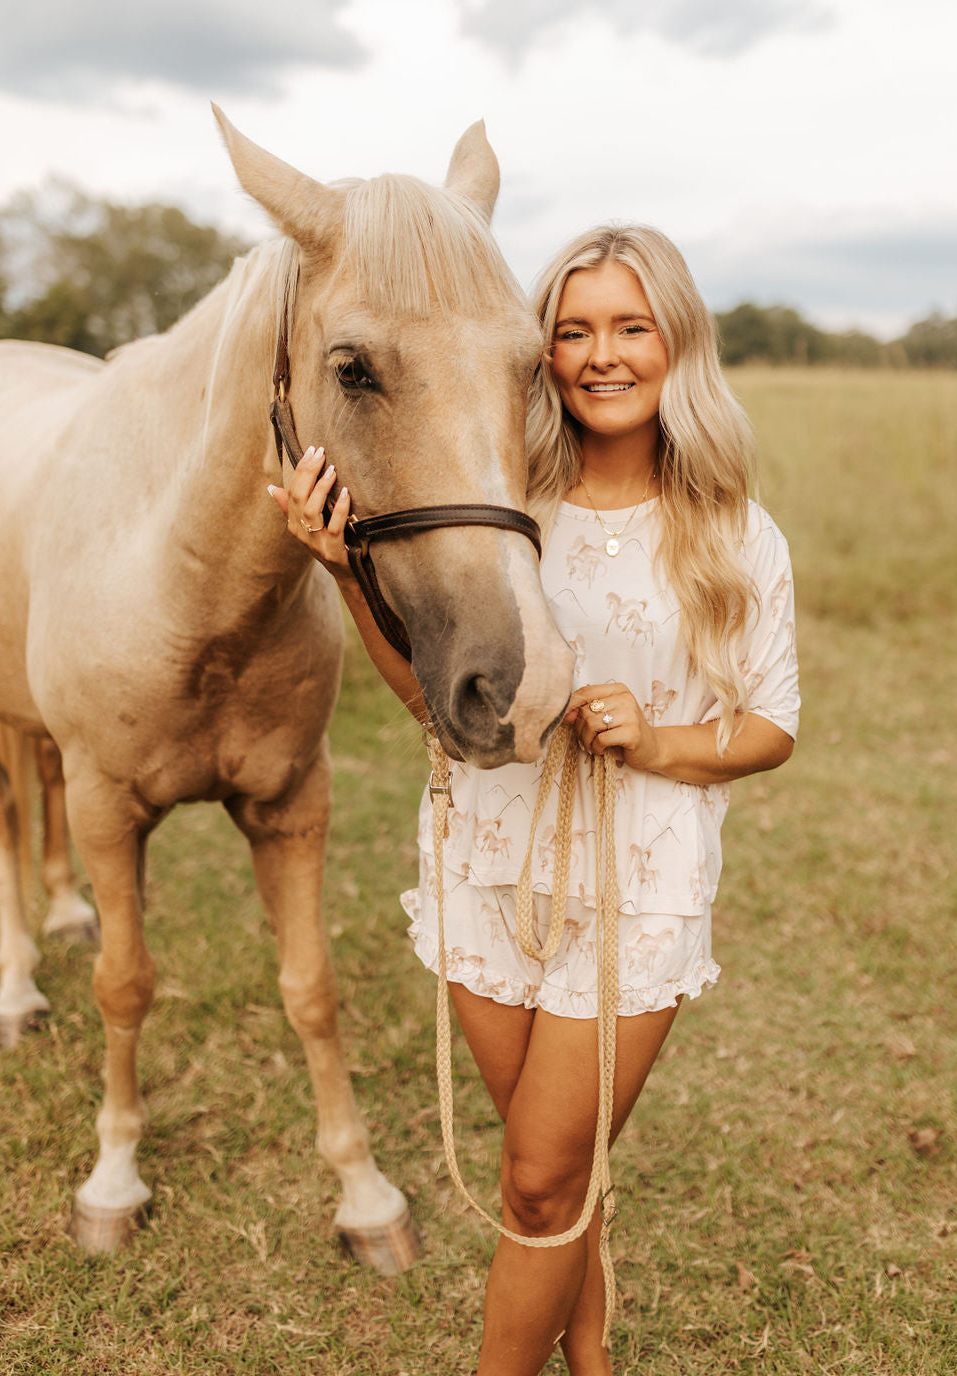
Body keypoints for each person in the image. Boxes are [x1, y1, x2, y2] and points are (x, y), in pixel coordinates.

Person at [269, 224, 800, 1376]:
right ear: (540, 355)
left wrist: (657, 739)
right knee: (549, 1162)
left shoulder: (734, 536)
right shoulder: (509, 516)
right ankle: (593, 1357)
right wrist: (344, 569)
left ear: (676, 345)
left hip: (637, 888)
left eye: (628, 327)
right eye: (572, 331)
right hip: (486, 864)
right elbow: (428, 699)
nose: (600, 354)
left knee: (542, 1172)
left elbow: (771, 729)